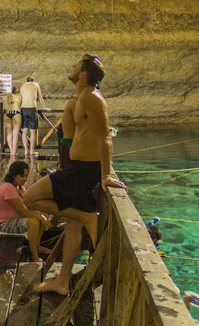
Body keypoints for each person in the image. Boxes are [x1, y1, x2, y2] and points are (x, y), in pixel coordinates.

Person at [23, 54, 126, 295]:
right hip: (78, 167)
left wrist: (104, 176)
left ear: (83, 73)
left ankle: (87, 218)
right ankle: (62, 281)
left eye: (76, 64)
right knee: (72, 226)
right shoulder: (81, 99)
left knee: (29, 198)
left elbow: (105, 137)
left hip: (84, 170)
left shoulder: (91, 97)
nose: (72, 66)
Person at [0, 161, 51, 262]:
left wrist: (41, 215)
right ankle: (35, 256)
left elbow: (28, 204)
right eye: (22, 176)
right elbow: (22, 212)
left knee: (44, 213)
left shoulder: (19, 187)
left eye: (26, 176)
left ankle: (37, 245)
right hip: (3, 223)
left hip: (15, 219)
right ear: (14, 175)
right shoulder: (8, 188)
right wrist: (40, 218)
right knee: (33, 221)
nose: (25, 179)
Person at [20, 76, 48, 157]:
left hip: (23, 108)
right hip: (32, 108)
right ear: (33, 80)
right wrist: (44, 107)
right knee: (33, 131)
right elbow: (40, 97)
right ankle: (32, 151)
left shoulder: (23, 85)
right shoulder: (36, 85)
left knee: (24, 131)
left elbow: (21, 97)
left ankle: (26, 151)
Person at [4, 86, 22, 157]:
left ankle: (11, 151)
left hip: (8, 113)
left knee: (9, 134)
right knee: (15, 133)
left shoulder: (8, 96)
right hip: (16, 112)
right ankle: (14, 151)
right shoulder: (19, 96)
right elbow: (21, 105)